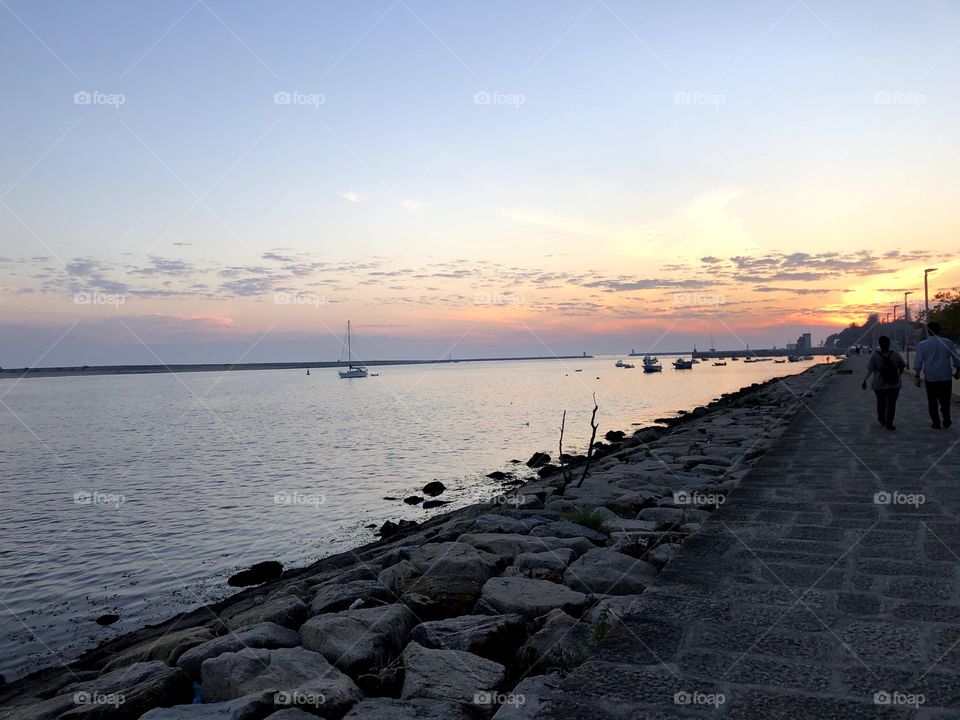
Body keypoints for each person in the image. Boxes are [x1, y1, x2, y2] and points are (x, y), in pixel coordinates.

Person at [913, 321, 960, 429]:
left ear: (927, 331)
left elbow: (918, 362)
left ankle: (936, 422)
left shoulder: (922, 345)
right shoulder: (948, 342)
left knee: (932, 401)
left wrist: (917, 376)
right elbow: (956, 359)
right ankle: (946, 417)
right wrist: (958, 371)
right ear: (940, 330)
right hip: (945, 376)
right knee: (945, 400)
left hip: (930, 377)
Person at [862, 335, 906, 430]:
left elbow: (870, 369)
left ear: (879, 344)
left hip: (879, 384)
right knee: (891, 404)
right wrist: (899, 376)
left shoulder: (875, 355)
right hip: (894, 383)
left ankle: (882, 419)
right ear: (889, 344)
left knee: (881, 403)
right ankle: (889, 423)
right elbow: (902, 366)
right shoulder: (895, 354)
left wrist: (864, 380)